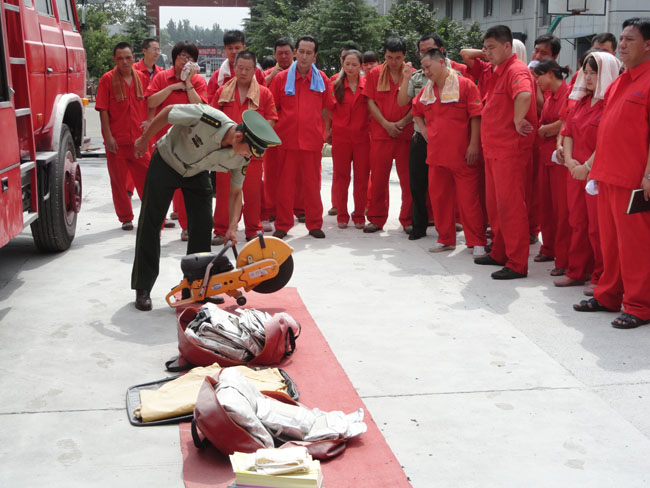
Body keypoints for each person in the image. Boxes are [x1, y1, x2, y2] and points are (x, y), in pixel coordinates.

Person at [131, 105, 281, 311]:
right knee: (151, 222)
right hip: (167, 161)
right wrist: (144, 139)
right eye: (249, 151)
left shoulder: (242, 157)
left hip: (196, 171)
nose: (249, 156)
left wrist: (232, 227)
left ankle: (196, 289)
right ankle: (143, 287)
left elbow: (236, 192)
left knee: (202, 225)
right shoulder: (208, 118)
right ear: (238, 137)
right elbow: (169, 112)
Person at [573, 18, 650, 329]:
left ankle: (640, 305)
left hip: (633, 179)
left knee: (635, 246)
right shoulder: (619, 82)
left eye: (630, 39)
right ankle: (608, 295)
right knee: (611, 244)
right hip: (607, 175)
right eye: (622, 38)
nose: (622, 45)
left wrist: (649, 176)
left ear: (648, 45)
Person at [474, 25, 537, 280]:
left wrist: (518, 119)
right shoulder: (498, 70)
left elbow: (524, 94)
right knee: (496, 207)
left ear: (507, 46)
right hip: (494, 151)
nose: (486, 52)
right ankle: (500, 251)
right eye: (485, 47)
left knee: (511, 207)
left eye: (491, 48)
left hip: (510, 151)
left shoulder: (516, 70)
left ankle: (517, 262)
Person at [412, 48, 486, 256]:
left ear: (441, 62)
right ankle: (445, 239)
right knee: (440, 199)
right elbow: (415, 110)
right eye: (423, 68)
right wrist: (424, 131)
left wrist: (474, 145)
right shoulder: (427, 90)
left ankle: (477, 241)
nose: (426, 72)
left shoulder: (465, 85)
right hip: (436, 155)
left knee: (469, 201)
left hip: (463, 155)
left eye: (429, 67)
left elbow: (476, 116)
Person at [558, 52, 619, 292]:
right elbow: (568, 132)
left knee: (598, 228)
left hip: (596, 173)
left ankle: (601, 276)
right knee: (577, 223)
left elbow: (608, 140)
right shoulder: (581, 101)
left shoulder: (610, 104)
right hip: (575, 171)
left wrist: (587, 167)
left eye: (595, 72)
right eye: (587, 72)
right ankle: (576, 271)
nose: (590, 77)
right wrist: (570, 161)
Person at [397, 34, 464, 241]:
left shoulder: (456, 76)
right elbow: (404, 102)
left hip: (447, 139)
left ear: (440, 51)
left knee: (447, 186)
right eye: (421, 51)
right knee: (417, 184)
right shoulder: (418, 77)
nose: (424, 54)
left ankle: (449, 226)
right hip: (421, 138)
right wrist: (406, 78)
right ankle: (419, 226)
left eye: (429, 50)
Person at [269, 35, 332, 239]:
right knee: (285, 186)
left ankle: (314, 224)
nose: (304, 56)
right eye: (301, 52)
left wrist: (324, 132)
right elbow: (273, 109)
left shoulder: (321, 79)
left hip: (312, 140)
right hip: (286, 140)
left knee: (312, 185)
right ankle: (283, 224)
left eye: (309, 53)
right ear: (295, 52)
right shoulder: (281, 79)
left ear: (315, 56)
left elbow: (326, 109)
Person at [211, 51, 278, 243]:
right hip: (226, 152)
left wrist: (255, 138)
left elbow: (271, 119)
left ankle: (253, 229)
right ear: (234, 67)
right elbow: (213, 118)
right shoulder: (222, 92)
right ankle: (221, 229)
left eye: (248, 69)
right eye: (240, 68)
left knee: (252, 193)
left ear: (255, 70)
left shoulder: (264, 93)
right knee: (224, 193)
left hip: (251, 153)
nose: (243, 72)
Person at [146, 41, 208, 241]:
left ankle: (187, 227)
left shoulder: (198, 81)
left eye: (190, 58)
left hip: (190, 143)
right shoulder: (162, 77)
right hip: (164, 142)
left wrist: (188, 83)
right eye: (182, 56)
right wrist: (172, 87)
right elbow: (151, 101)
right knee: (160, 187)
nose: (185, 61)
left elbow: (201, 107)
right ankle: (155, 228)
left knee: (187, 188)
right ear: (174, 58)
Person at [95, 42, 151, 231]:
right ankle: (125, 217)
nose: (124, 62)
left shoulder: (142, 78)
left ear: (134, 57)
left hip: (139, 141)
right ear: (114, 60)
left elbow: (151, 103)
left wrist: (149, 125)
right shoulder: (107, 79)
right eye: (120, 58)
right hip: (117, 141)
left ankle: (152, 216)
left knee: (148, 181)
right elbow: (102, 109)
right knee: (118, 182)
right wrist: (108, 137)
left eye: (128, 58)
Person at [363, 37, 414, 235]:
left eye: (398, 58)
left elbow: (417, 105)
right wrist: (385, 124)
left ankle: (408, 219)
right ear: (384, 55)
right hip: (381, 134)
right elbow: (370, 102)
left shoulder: (413, 74)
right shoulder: (375, 73)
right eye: (389, 57)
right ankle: (376, 219)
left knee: (408, 180)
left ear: (405, 56)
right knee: (378, 179)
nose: (393, 62)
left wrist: (401, 123)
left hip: (405, 134)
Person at [531, 59, 571, 276]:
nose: (537, 80)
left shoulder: (568, 94)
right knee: (545, 205)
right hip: (545, 157)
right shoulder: (549, 97)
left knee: (561, 210)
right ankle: (549, 247)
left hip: (560, 160)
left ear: (549, 74)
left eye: (538, 76)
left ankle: (564, 258)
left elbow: (565, 123)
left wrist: (546, 130)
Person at [329, 49, 370, 230]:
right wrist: (327, 131)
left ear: (361, 65)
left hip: (363, 138)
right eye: (347, 64)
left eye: (354, 64)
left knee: (362, 178)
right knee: (341, 178)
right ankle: (342, 214)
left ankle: (359, 214)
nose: (351, 68)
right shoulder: (334, 85)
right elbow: (327, 111)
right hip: (341, 138)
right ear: (342, 64)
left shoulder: (367, 85)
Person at [207, 30, 266, 102]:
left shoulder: (256, 72)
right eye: (230, 48)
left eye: (237, 48)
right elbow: (211, 102)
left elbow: (264, 97)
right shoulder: (218, 76)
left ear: (244, 48)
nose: (234, 51)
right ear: (225, 49)